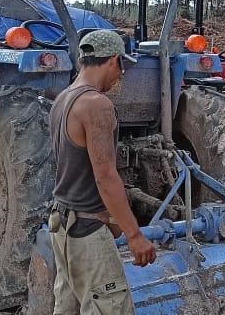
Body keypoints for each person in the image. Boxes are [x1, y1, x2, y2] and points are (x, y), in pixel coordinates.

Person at [47, 30, 156, 314]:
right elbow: (105, 176)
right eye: (122, 67)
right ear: (114, 60)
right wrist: (134, 235)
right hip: (87, 234)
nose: (120, 76)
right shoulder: (97, 106)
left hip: (63, 227)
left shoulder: (63, 99)